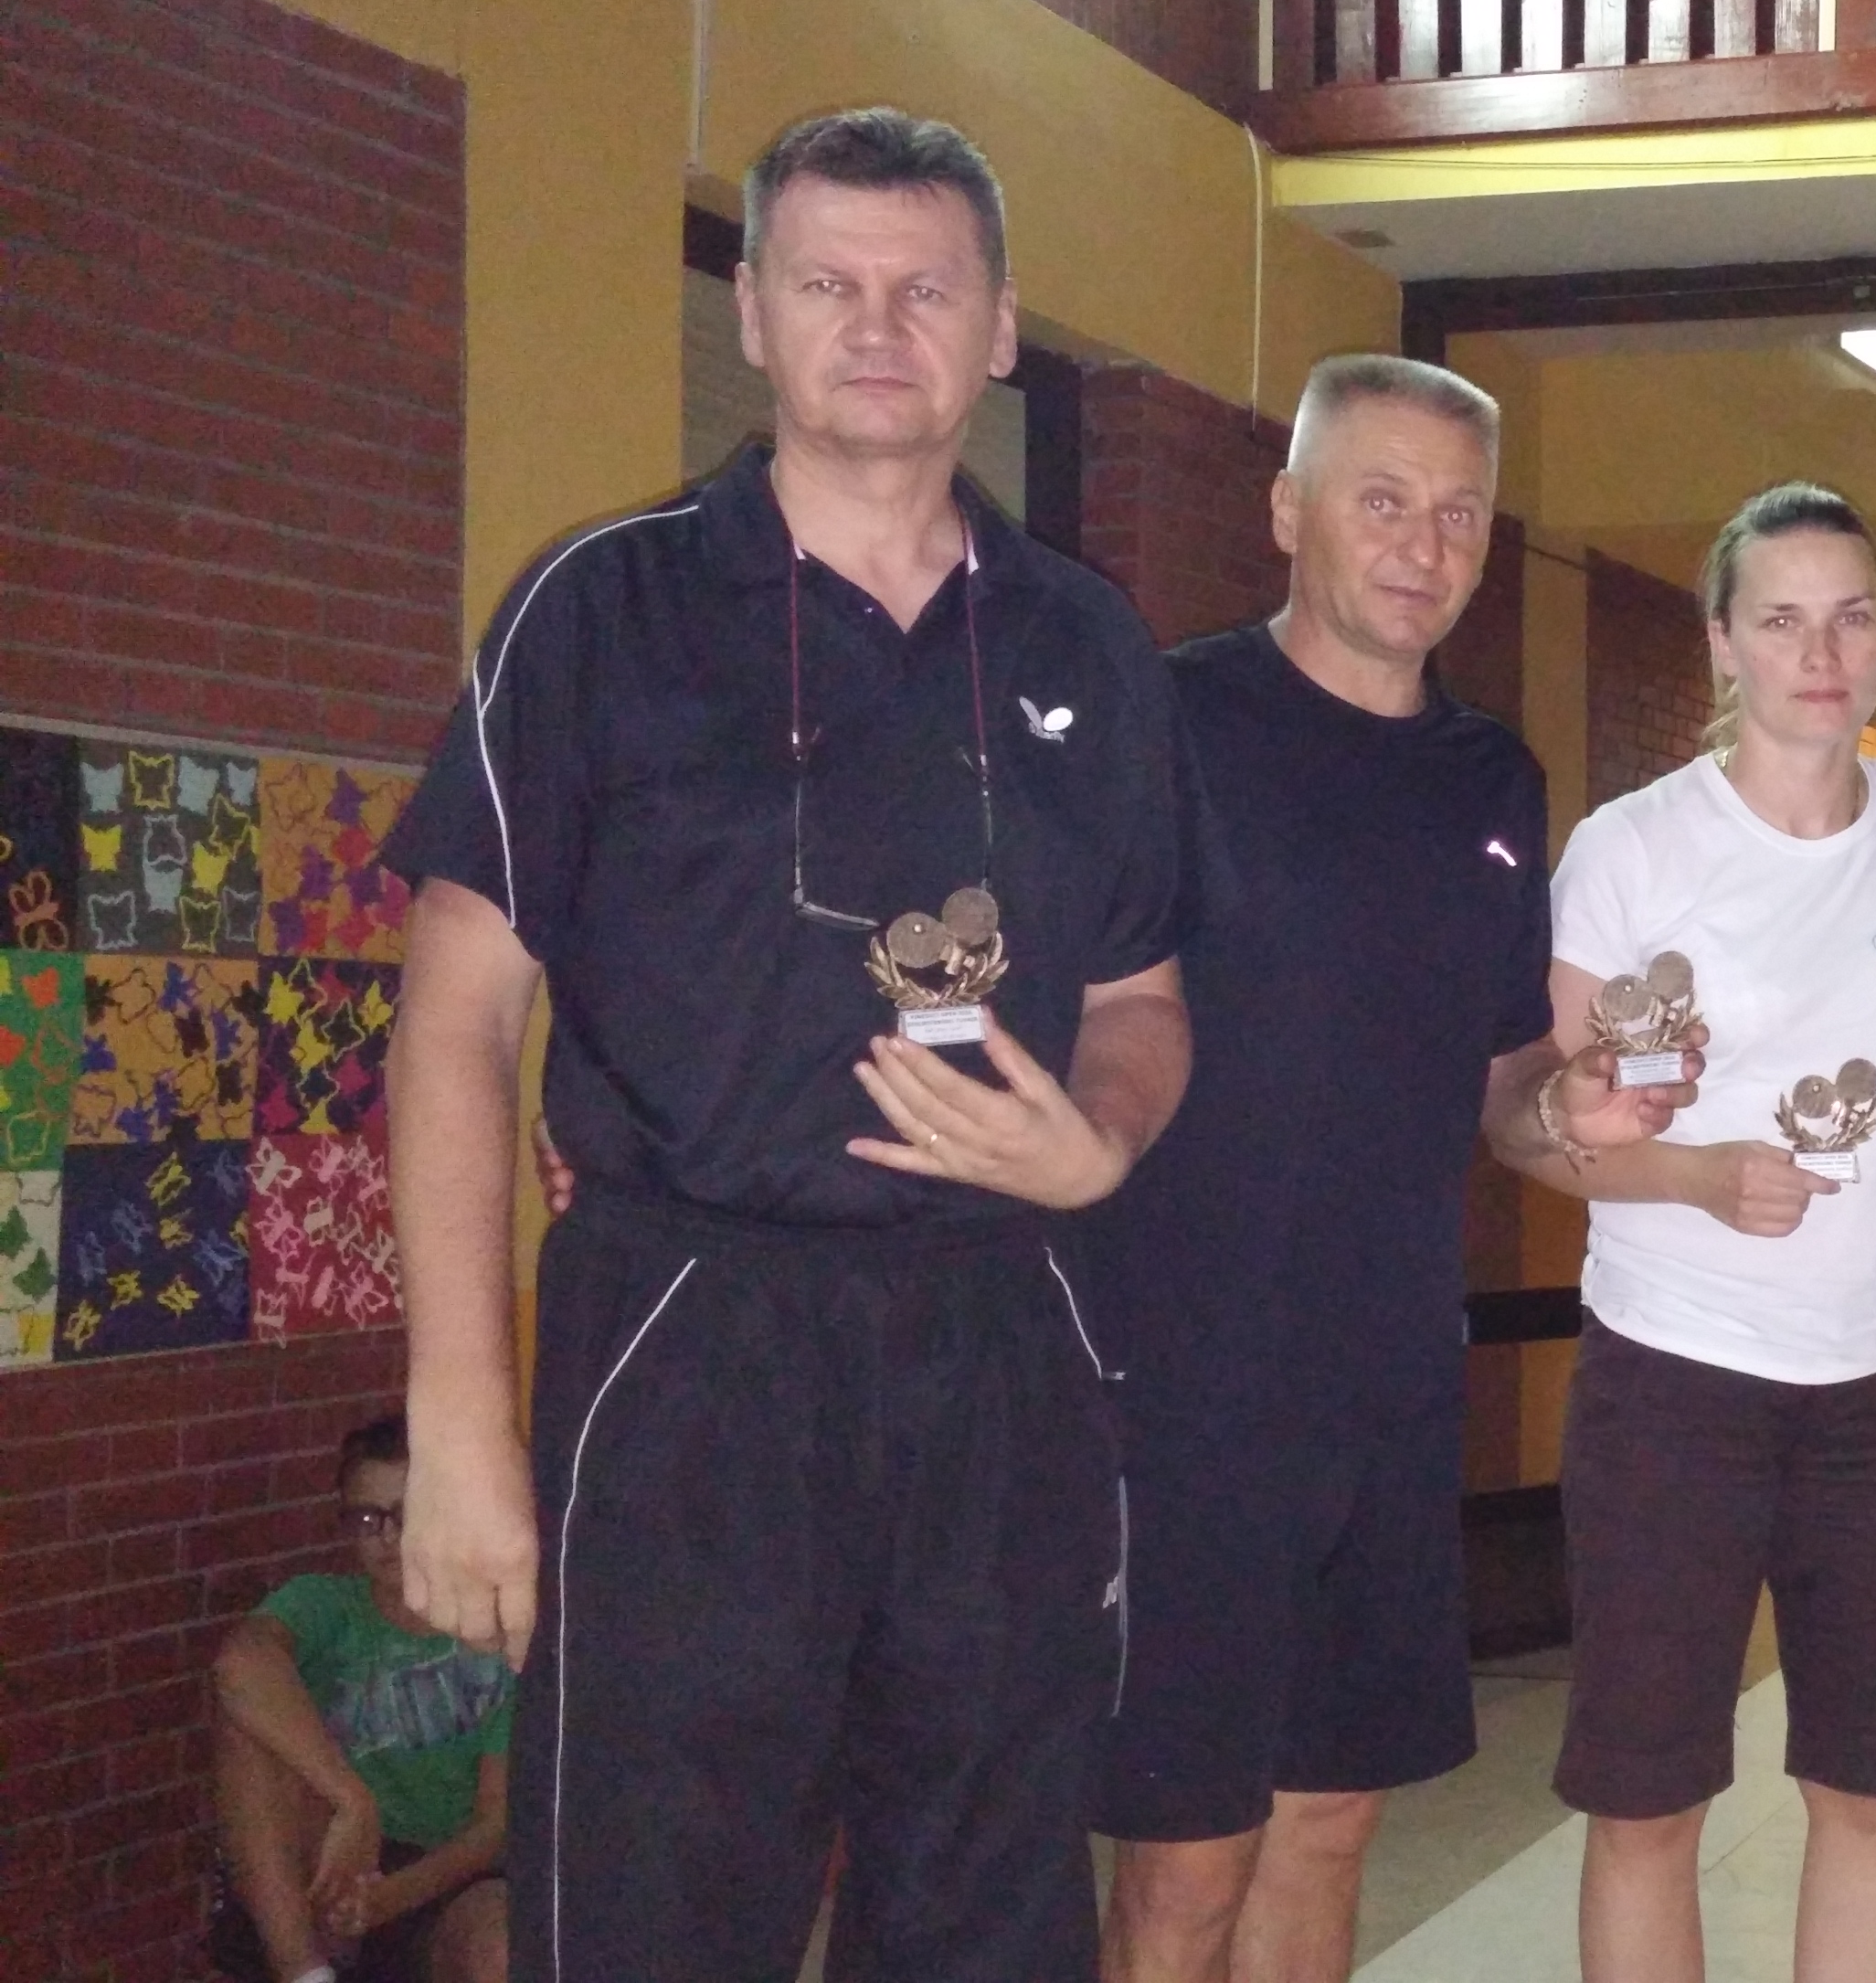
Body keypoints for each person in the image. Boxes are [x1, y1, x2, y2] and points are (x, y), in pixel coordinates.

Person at [382, 108, 1206, 1981]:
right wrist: (458, 1421)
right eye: (829, 282)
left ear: (1001, 328)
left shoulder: (1088, 646)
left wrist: (1099, 1139)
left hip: (1003, 1342)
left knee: (990, 1917)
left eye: (928, 289)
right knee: (658, 1916)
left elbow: (1144, 1001)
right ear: (751, 311)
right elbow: (455, 1024)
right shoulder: (602, 610)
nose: (878, 327)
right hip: (689, 1343)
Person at [1085, 355, 1684, 1983]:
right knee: (1184, 1865)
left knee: (1333, 1825)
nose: (1425, 546)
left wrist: (1570, 1110)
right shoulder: (1165, 725)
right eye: (1383, 501)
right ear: (1289, 512)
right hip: (1182, 1391)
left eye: (1460, 515)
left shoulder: (1493, 782)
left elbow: (1497, 1087)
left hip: (1391, 1389)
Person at [1500, 484, 1876, 1983]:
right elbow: (1546, 1132)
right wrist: (1695, 1174)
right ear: (1722, 643)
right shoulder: (1633, 851)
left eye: (1850, 617)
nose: (1819, 653)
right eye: (1780, 619)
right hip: (1675, 1376)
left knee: (1873, 1797)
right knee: (1648, 1806)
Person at [209, 1416, 514, 1983]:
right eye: (367, 1519)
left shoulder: (491, 1634)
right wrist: (354, 1801)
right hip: (326, 1852)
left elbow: (492, 1826)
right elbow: (237, 1665)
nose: (388, 1538)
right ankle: (307, 1975)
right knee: (247, 1720)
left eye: (407, 1515)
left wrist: (390, 1897)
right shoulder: (323, 1605)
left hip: (439, 1878)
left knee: (502, 1945)